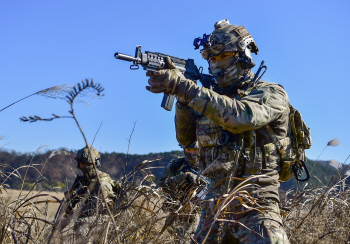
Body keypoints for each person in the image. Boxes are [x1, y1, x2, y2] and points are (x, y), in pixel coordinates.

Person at [146, 19, 291, 243]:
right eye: (211, 58)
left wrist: (186, 88)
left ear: (243, 55)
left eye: (223, 56)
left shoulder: (270, 93)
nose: (215, 63)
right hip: (213, 209)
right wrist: (183, 99)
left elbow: (241, 117)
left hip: (257, 208)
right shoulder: (206, 98)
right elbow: (185, 139)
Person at [64, 145, 120, 240]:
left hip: (109, 219)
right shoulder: (85, 180)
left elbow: (97, 208)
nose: (84, 167)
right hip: (93, 218)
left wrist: (76, 214)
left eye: (88, 164)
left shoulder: (102, 182)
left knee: (81, 224)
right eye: (82, 163)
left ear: (95, 163)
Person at [159, 142, 202, 243]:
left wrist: (198, 180)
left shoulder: (208, 164)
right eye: (188, 150)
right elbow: (163, 186)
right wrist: (183, 176)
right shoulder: (176, 164)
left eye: (195, 150)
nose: (192, 153)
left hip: (201, 209)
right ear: (184, 149)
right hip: (177, 209)